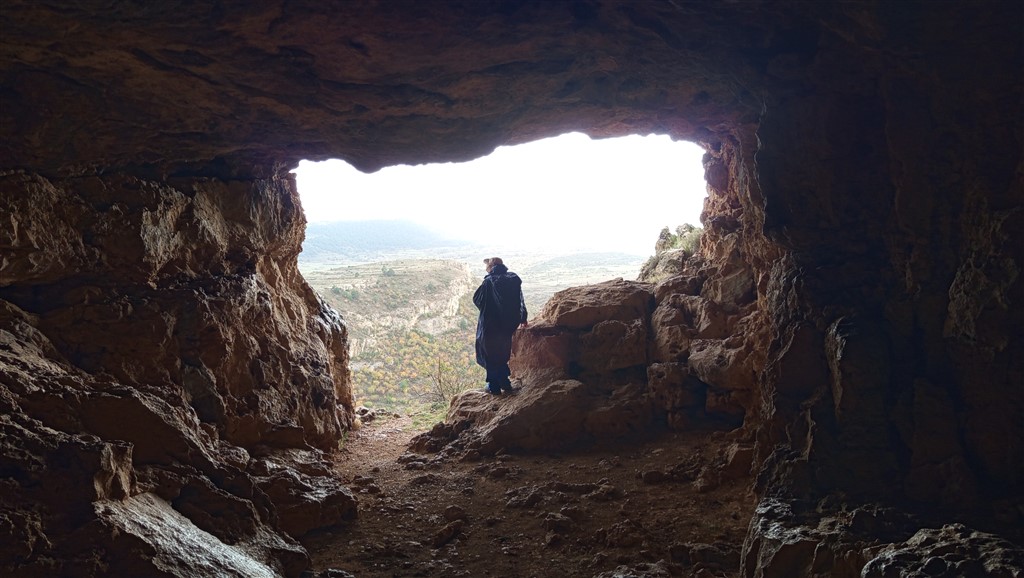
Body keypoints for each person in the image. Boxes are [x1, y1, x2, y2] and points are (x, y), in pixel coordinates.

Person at [473, 257, 528, 395]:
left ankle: (494, 386)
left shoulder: (488, 282)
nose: (486, 268)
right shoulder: (513, 278)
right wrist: (523, 317)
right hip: (507, 325)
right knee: (502, 352)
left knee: (489, 354)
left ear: (491, 267)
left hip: (490, 324)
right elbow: (519, 299)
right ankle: (505, 382)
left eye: (487, 266)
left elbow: (478, 300)